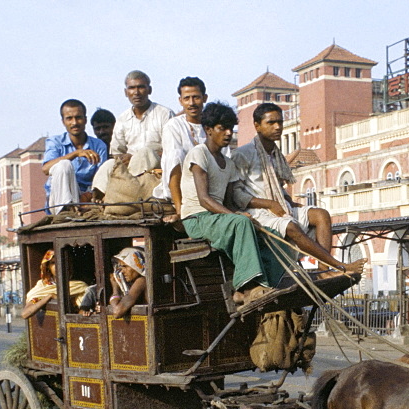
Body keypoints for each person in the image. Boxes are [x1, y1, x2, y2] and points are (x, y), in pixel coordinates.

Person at [232, 103, 364, 275]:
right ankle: (338, 265)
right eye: (271, 123)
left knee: (321, 215)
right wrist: (269, 204)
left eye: (280, 122)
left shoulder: (275, 154)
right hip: (257, 212)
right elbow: (236, 193)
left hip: (279, 207)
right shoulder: (243, 154)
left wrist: (289, 202)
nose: (277, 127)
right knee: (291, 226)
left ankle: (323, 270)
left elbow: (278, 187)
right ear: (257, 125)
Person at [180, 102, 283, 306]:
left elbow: (229, 202)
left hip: (218, 218)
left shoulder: (228, 163)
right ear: (208, 130)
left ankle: (270, 284)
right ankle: (244, 288)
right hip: (196, 218)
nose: (228, 133)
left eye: (231, 128)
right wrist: (236, 216)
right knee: (241, 222)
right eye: (222, 128)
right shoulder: (199, 153)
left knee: (272, 234)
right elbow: (205, 200)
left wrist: (245, 216)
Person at [93, 71, 175, 197]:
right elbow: (116, 153)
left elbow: (172, 150)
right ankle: (98, 196)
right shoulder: (122, 119)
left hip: (156, 168)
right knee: (108, 164)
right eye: (131, 88)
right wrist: (125, 158)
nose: (136, 92)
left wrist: (136, 156)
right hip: (129, 168)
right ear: (126, 92)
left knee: (145, 152)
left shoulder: (165, 114)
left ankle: (133, 189)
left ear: (149, 90)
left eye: (141, 87)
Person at [157, 76, 210, 217]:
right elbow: (173, 162)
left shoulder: (212, 125)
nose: (191, 103)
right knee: (177, 155)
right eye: (187, 98)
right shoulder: (173, 126)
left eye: (196, 97)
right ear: (180, 101)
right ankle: (179, 208)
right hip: (183, 187)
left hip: (210, 186)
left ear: (205, 98)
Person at [42, 99, 109, 210]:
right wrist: (76, 154)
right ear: (63, 121)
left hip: (88, 197)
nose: (74, 123)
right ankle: (66, 210)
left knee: (110, 164)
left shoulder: (98, 145)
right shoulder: (55, 142)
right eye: (69, 118)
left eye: (78, 117)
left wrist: (89, 196)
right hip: (60, 199)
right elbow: (45, 169)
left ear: (85, 120)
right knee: (64, 164)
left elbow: (100, 177)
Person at [21, 250, 89, 319]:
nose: (57, 266)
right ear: (48, 267)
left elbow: (83, 312)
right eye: (53, 263)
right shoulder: (42, 286)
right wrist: (49, 296)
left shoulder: (79, 286)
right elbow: (25, 314)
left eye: (61, 262)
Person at [107, 247, 148, 318]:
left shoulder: (141, 281)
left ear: (136, 266)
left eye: (125, 266)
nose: (122, 271)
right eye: (121, 267)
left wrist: (115, 288)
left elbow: (117, 312)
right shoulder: (134, 282)